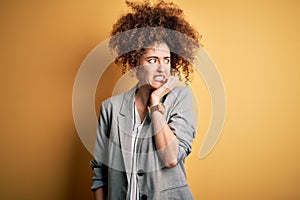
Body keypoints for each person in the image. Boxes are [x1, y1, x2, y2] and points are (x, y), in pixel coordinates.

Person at [90, 0, 201, 199]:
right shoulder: (110, 108)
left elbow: (170, 158)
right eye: (152, 60)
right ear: (135, 62)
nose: (161, 68)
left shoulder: (181, 98)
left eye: (166, 60)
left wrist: (156, 102)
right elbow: (100, 173)